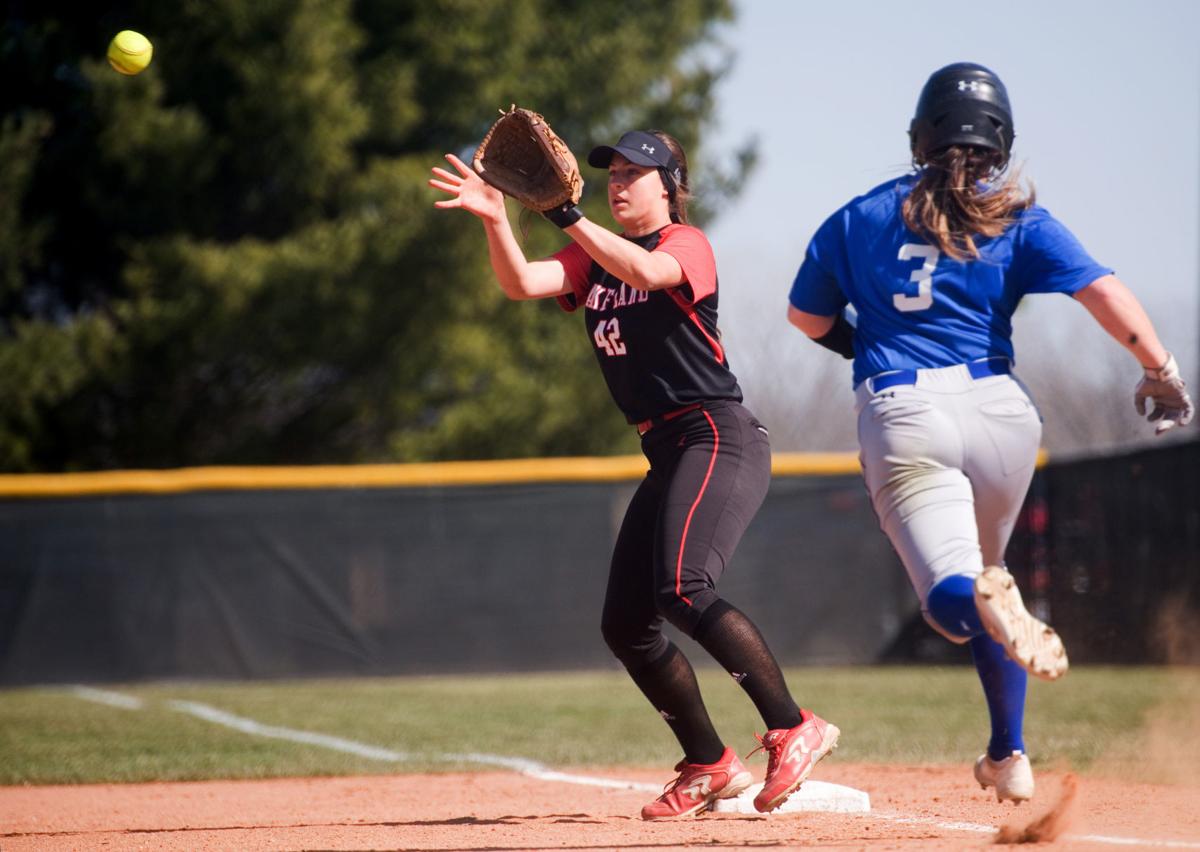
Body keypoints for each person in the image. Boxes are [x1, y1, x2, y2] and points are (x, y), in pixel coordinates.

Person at [786, 62, 1194, 804]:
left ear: (920, 135)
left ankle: (992, 654)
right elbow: (1101, 291)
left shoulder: (860, 215)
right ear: (1001, 141)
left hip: (907, 412)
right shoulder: (1020, 219)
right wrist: (1160, 369)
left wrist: (864, 341)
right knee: (989, 579)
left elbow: (806, 317)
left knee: (958, 602)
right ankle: (1009, 755)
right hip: (1003, 413)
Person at [430, 128, 839, 818]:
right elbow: (522, 282)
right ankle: (710, 761)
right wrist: (498, 219)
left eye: (634, 173)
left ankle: (795, 725)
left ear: (669, 186)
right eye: (612, 173)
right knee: (627, 625)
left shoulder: (685, 243)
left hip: (716, 434)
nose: (618, 183)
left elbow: (648, 275)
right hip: (668, 449)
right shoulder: (593, 257)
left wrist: (566, 215)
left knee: (682, 588)